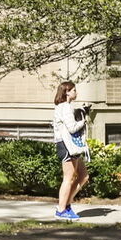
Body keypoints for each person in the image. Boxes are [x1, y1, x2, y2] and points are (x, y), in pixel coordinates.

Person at [52, 80, 90, 221]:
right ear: (67, 92)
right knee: (68, 178)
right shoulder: (65, 107)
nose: (76, 92)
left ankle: (67, 204)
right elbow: (72, 128)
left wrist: (82, 112)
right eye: (74, 90)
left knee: (83, 176)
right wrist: (83, 121)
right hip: (66, 146)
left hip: (71, 146)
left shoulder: (67, 107)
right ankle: (61, 210)